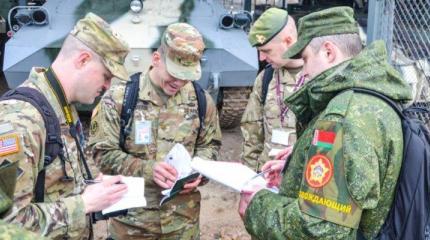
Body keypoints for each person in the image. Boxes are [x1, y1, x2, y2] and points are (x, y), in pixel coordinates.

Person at [238, 6, 412, 239]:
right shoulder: (371, 97)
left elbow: (320, 228)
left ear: (329, 52)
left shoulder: (344, 118)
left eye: (307, 58)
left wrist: (258, 205)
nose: (305, 71)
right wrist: (298, 163)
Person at [0, 12, 130, 239]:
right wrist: (84, 203)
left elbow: (53, 182)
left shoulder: (62, 105)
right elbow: (7, 225)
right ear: (83, 60)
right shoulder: (20, 121)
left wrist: (91, 185)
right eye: (106, 76)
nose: (108, 86)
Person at [89, 22, 222, 239]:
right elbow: (102, 153)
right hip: (132, 225)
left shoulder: (201, 101)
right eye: (174, 73)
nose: (179, 82)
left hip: (182, 224)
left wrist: (199, 173)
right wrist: (148, 169)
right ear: (156, 59)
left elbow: (210, 145)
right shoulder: (120, 98)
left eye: (186, 75)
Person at [240, 7, 304, 172]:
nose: (261, 58)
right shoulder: (266, 78)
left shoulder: (318, 77)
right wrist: (248, 182)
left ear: (288, 41)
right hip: (266, 177)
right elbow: (252, 135)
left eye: (266, 50)